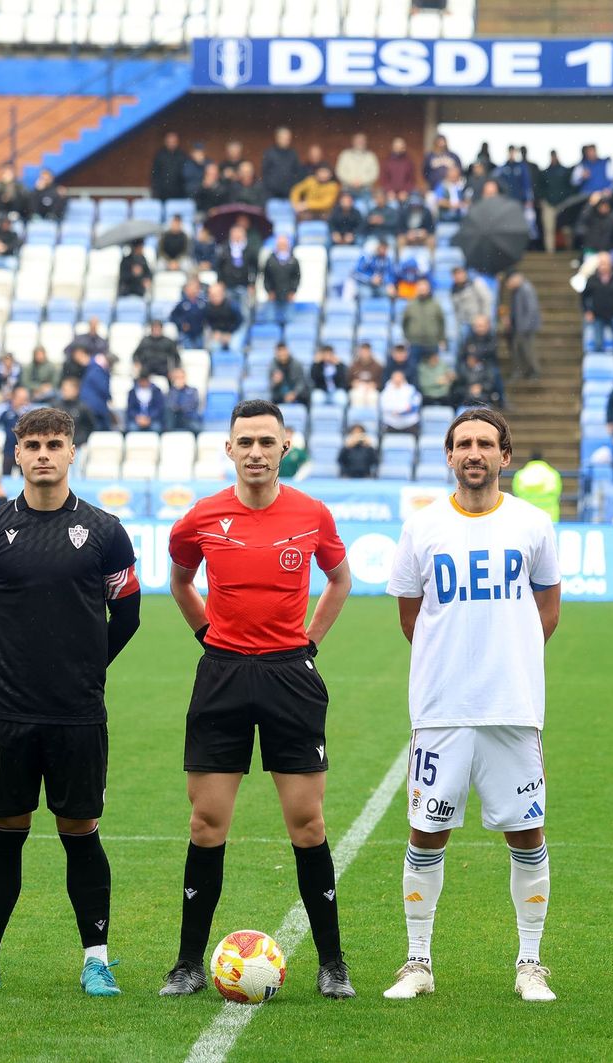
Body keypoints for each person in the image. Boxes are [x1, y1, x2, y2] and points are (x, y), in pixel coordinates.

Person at [159, 400, 355, 999]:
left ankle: (332, 964)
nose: (256, 452)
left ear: (285, 447)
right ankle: (189, 963)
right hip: (221, 676)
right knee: (206, 823)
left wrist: (308, 642)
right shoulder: (200, 517)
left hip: (289, 677)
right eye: (245, 442)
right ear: (228, 448)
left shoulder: (311, 513)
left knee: (308, 823)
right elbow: (180, 578)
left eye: (267, 442)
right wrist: (205, 635)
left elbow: (340, 578)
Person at [0, 406, 141, 998]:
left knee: (80, 827)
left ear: (72, 451)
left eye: (54, 443)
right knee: (7, 827)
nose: (43, 454)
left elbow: (127, 616)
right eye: (32, 444)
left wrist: (83, 669)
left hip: (78, 712)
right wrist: (10, 670)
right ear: (17, 454)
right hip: (5, 713)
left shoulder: (106, 531)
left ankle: (97, 961)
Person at [382, 408, 561, 1004]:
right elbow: (413, 616)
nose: (475, 453)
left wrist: (508, 659)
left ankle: (531, 963)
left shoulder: (533, 525)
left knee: (527, 834)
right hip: (441, 709)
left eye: (487, 443)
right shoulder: (422, 527)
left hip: (512, 708)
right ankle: (417, 962)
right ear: (450, 456)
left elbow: (548, 612)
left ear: (504, 456)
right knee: (426, 831)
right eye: (464, 444)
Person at [581, 254, 613, 353]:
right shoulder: (592, 280)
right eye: (601, 264)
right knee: (598, 343)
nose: (603, 266)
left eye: (605, 264)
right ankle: (599, 364)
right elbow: (584, 297)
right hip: (598, 315)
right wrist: (587, 311)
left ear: (610, 264)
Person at [262, 234, 301, 325]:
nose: (282, 246)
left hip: (288, 296)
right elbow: (266, 277)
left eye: (284, 244)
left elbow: (297, 277)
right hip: (273, 295)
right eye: (280, 244)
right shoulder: (270, 260)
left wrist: (292, 291)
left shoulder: (294, 260)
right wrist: (269, 291)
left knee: (290, 321)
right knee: (270, 321)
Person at [511, 453, 561, 522]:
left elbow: (516, 493)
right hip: (549, 515)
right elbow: (557, 493)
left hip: (525, 515)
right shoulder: (553, 474)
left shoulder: (520, 474)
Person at [335, 132, 379, 201]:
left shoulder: (371, 156)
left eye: (362, 141)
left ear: (365, 142)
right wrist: (351, 181)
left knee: (366, 208)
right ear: (353, 142)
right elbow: (340, 171)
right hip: (347, 189)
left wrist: (361, 182)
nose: (360, 142)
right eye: (358, 141)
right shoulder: (345, 155)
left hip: (365, 190)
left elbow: (374, 173)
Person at [380, 369, 422, 436]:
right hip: (391, 423)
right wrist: (398, 409)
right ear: (392, 378)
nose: (397, 380)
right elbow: (384, 406)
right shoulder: (386, 392)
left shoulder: (411, 390)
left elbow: (415, 404)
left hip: (409, 423)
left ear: (403, 378)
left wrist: (401, 411)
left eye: (399, 377)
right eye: (395, 377)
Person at [151, 131, 190, 201]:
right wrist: (155, 189)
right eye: (169, 141)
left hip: (179, 192)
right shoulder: (160, 155)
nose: (171, 143)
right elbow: (155, 174)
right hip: (162, 192)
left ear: (177, 142)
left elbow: (186, 173)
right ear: (165, 142)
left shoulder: (182, 155)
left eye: (173, 141)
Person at [164, 366, 201, 433]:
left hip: (188, 418)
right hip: (174, 419)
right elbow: (170, 405)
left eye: (181, 377)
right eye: (177, 378)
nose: (179, 380)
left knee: (195, 426)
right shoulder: (170, 392)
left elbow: (192, 405)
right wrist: (176, 390)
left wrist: (180, 407)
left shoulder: (192, 391)